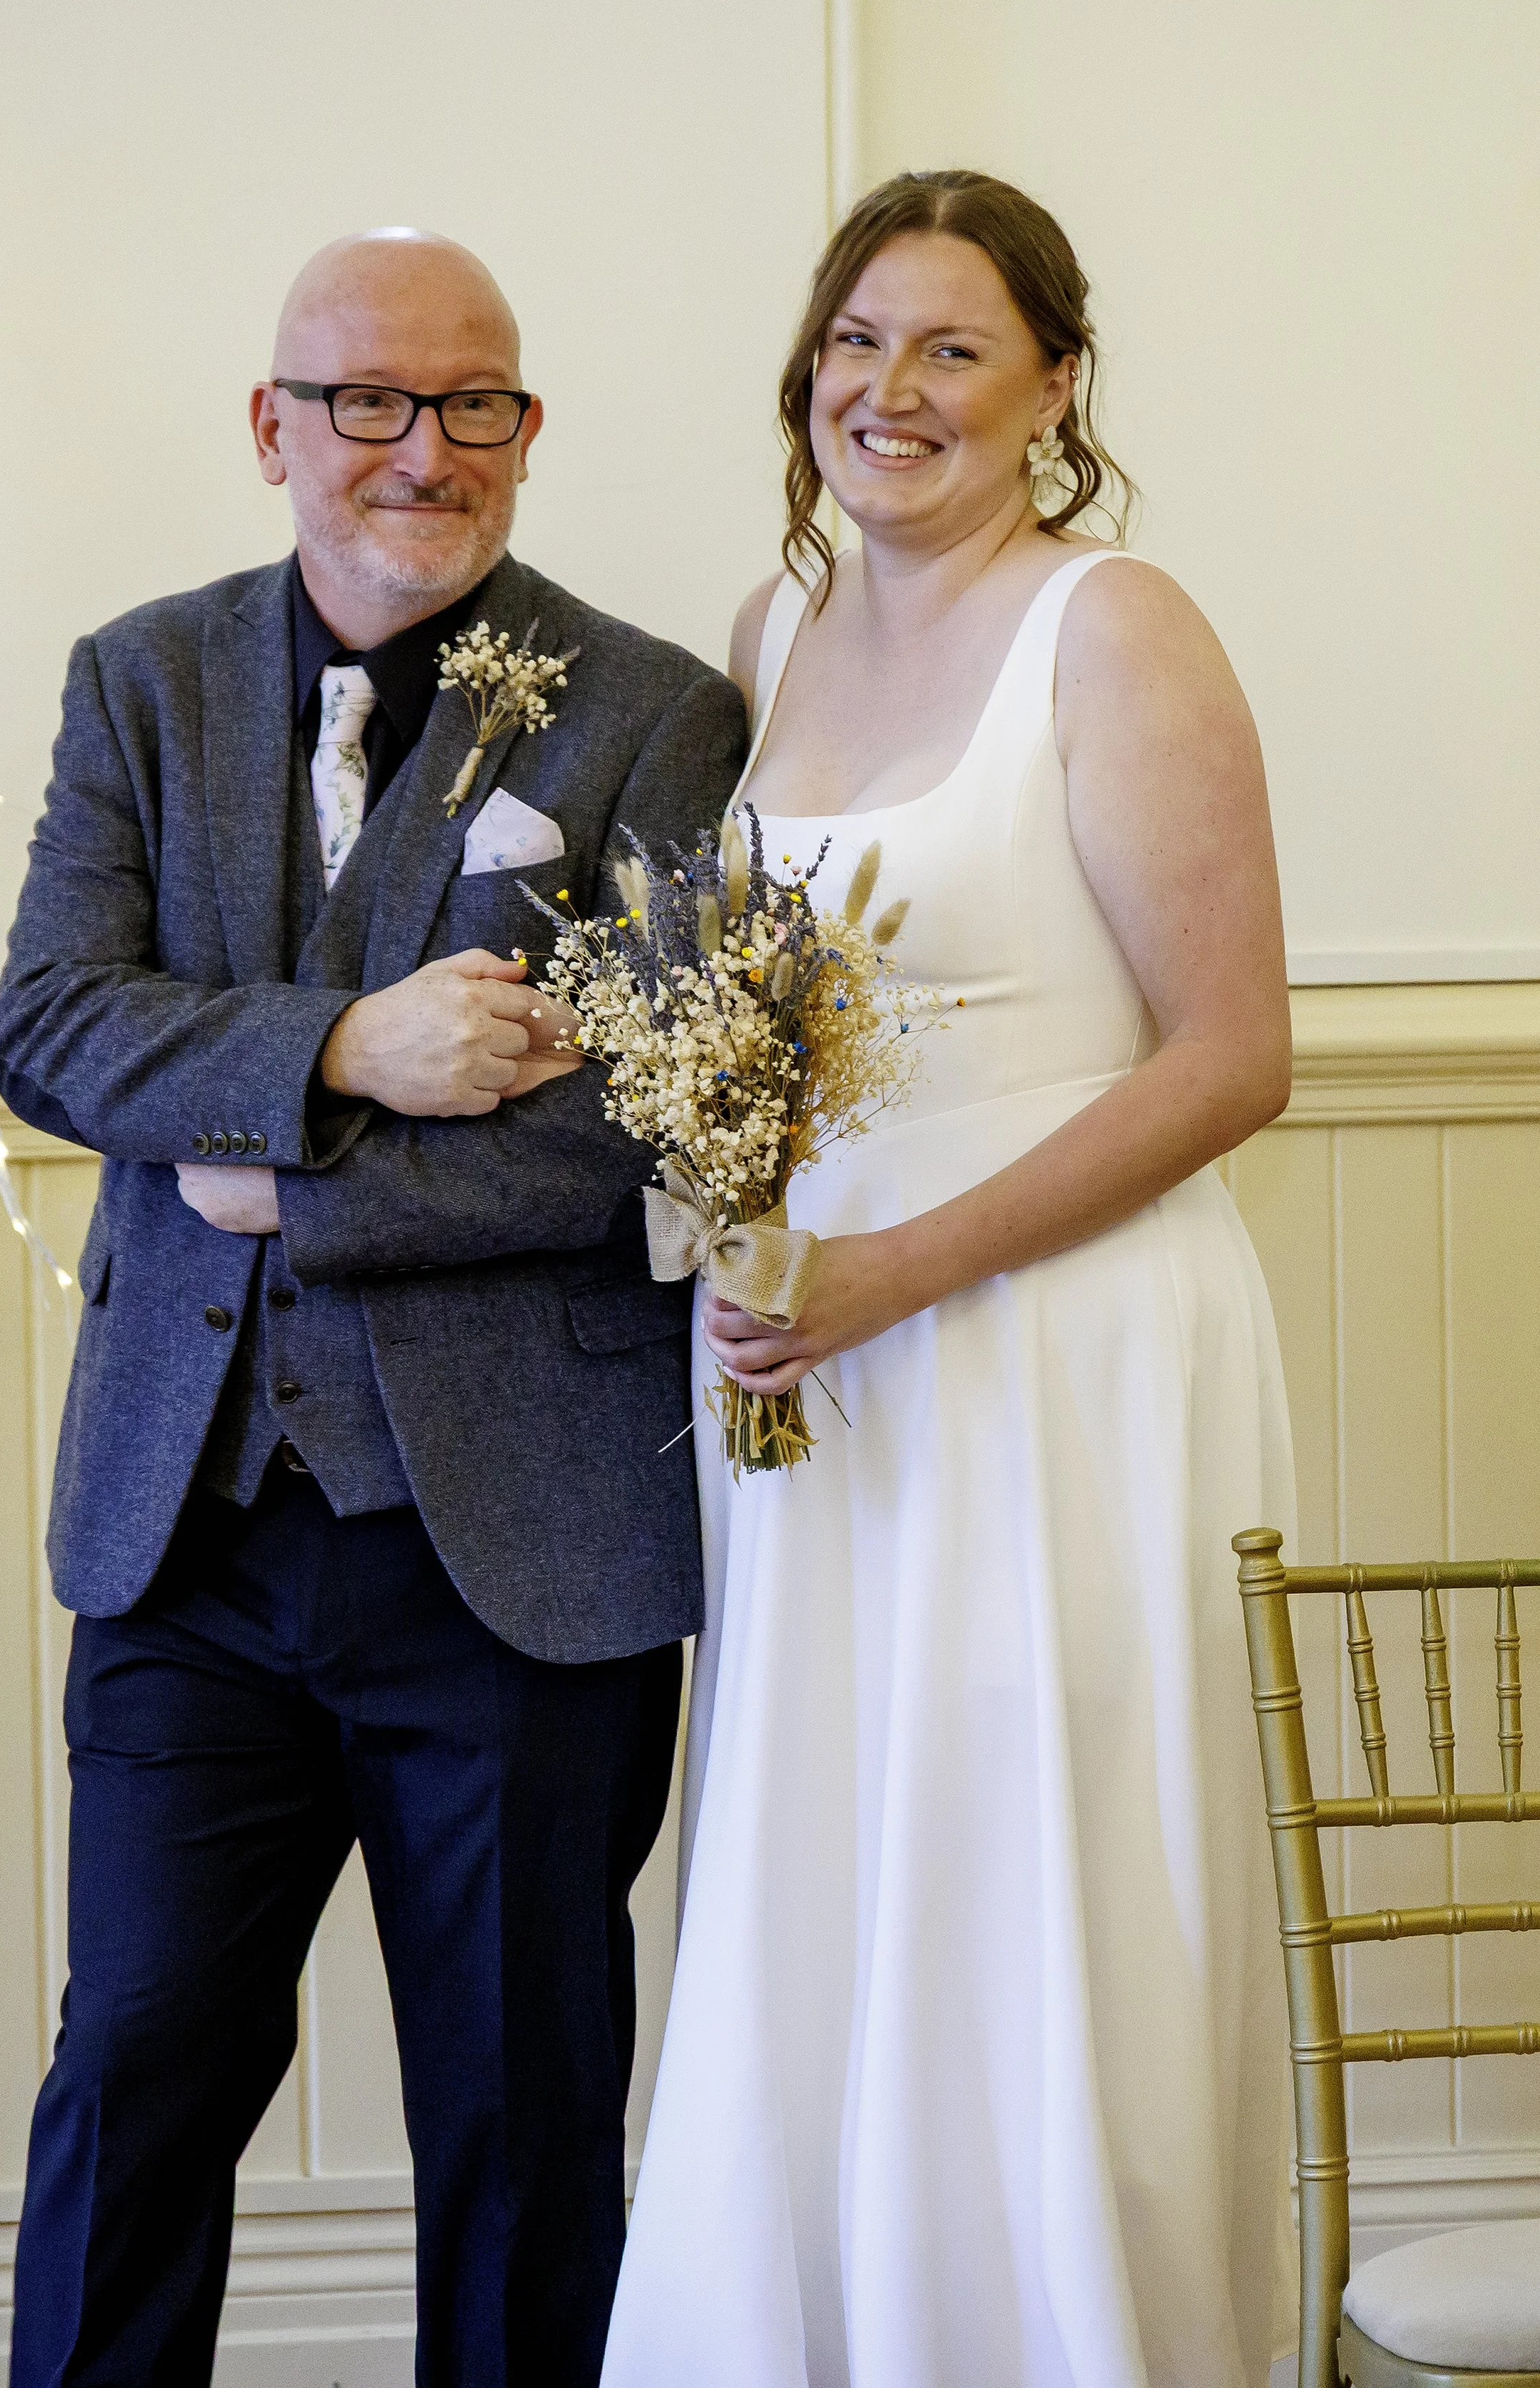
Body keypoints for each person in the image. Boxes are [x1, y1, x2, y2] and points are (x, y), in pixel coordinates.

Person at [0, 230, 744, 2388]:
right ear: (273, 429)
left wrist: (273, 1186)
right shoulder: (137, 679)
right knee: (130, 2085)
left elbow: (637, 1125)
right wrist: (351, 1053)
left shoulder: (655, 714)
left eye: (473, 404)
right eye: (369, 404)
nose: (423, 451)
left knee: (517, 2129)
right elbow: (49, 1024)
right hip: (184, 1536)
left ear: (527, 427)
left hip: (515, 1559)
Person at [603, 170, 1298, 2386]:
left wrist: (894, 1266)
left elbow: (1232, 1055)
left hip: (1055, 1352)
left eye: (949, 349)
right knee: (825, 1869)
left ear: (1054, 388)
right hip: (810, 1364)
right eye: (853, 342)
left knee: (1033, 1874)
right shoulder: (767, 632)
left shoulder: (1117, 624)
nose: (883, 392)